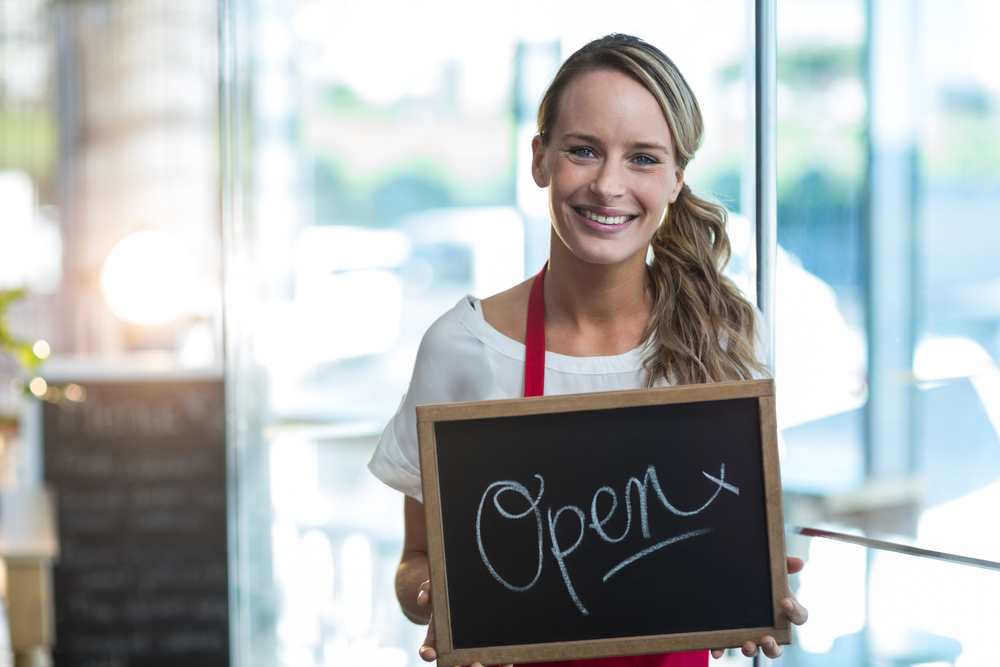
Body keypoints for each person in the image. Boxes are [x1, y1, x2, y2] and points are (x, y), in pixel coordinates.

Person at [368, 33, 808, 667]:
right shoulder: (463, 346)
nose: (608, 185)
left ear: (677, 178)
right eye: (583, 150)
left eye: (643, 159)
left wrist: (753, 591)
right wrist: (436, 596)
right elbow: (414, 566)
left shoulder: (725, 336)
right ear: (540, 159)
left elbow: (734, 546)